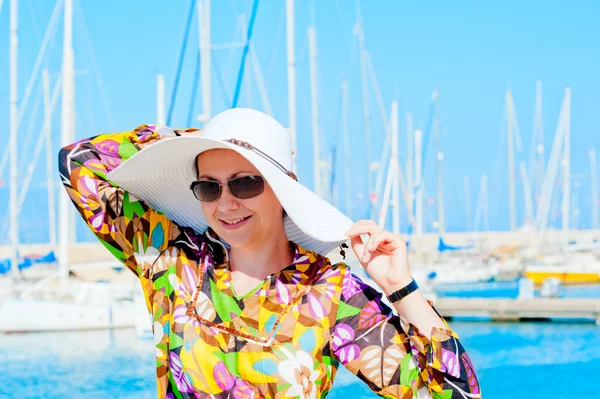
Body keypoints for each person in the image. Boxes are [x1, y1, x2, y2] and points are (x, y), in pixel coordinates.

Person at [59, 108, 480, 399]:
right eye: (209, 186)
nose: (225, 203)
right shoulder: (172, 261)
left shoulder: (330, 292)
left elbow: (454, 394)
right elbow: (79, 163)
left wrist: (399, 288)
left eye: (245, 183)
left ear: (283, 189)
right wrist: (197, 139)